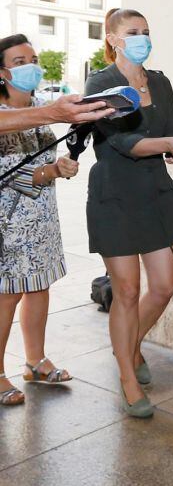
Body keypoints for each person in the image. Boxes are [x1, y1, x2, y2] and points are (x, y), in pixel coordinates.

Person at [84, 8, 173, 418]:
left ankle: (129, 347)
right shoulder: (101, 83)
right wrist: (165, 141)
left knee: (164, 286)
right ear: (113, 39)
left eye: (146, 31)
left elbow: (172, 128)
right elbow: (121, 141)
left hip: (156, 192)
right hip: (115, 194)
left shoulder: (160, 82)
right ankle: (128, 376)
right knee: (126, 291)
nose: (142, 38)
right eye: (133, 32)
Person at [0, 35, 80, 406]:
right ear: (1, 72)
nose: (30, 65)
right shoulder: (5, 115)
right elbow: (10, 174)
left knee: (39, 287)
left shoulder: (39, 106)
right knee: (8, 295)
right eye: (19, 61)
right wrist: (49, 172)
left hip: (41, 220)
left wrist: (60, 167)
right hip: (9, 224)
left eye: (32, 58)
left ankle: (35, 361)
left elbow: (44, 161)